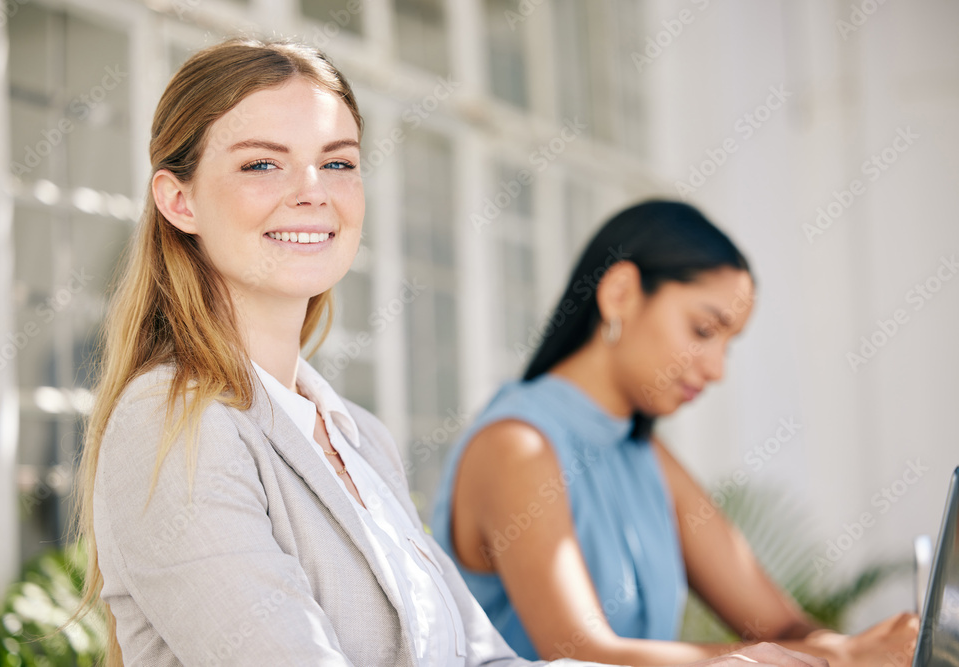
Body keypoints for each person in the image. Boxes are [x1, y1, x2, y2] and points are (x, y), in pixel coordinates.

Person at [72, 38, 830, 667]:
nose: (314, 191)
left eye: (338, 161)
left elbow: (484, 661)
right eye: (263, 163)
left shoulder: (360, 436)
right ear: (179, 200)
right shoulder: (171, 423)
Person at [431, 201, 919, 666]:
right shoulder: (517, 445)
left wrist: (877, 648)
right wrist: (844, 657)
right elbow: (586, 657)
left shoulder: (642, 452)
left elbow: (781, 624)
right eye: (704, 330)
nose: (716, 369)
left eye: (729, 344)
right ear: (620, 293)